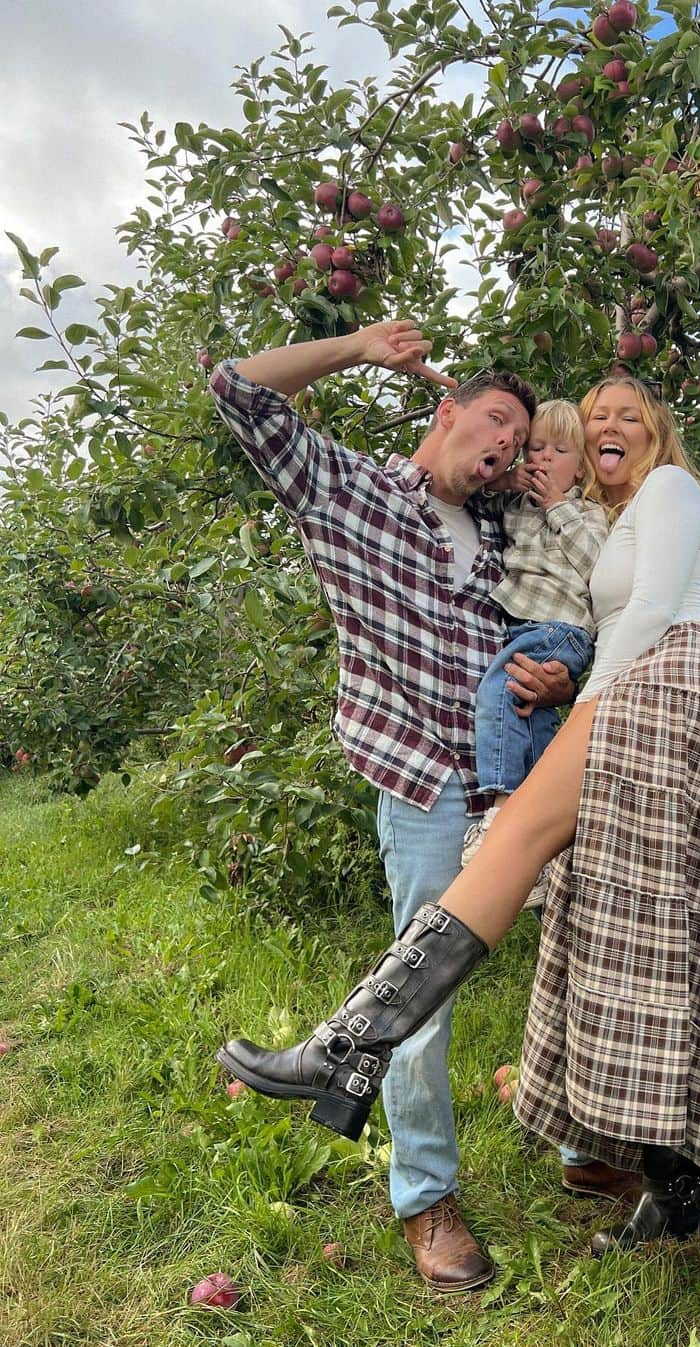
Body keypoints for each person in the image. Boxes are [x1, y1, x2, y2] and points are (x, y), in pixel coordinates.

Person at [218, 365, 700, 1259]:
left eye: (630, 414)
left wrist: (581, 694)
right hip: (527, 733)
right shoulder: (442, 503)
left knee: (604, 907)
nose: (607, 426)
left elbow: (649, 613)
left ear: (659, 434)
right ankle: (443, 1165)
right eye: (594, 416)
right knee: (629, 932)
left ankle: (348, 1043)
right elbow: (247, 394)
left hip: (654, 696)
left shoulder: (657, 493)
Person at [209, 320, 592, 1293]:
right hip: (426, 785)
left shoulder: (513, 522)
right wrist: (358, 348)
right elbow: (238, 389)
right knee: (417, 1001)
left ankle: (591, 1142)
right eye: (492, 420)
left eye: (517, 435)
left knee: (587, 954)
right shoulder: (353, 494)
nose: (505, 443)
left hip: (530, 779)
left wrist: (560, 677)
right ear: (446, 410)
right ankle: (428, 1202)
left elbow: (587, 561)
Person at [463, 399, 608, 898]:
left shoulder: (587, 513)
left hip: (559, 627)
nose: (544, 459)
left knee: (499, 692)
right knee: (534, 719)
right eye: (536, 448)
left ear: (581, 465)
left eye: (559, 451)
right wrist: (506, 481)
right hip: (522, 627)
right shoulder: (515, 506)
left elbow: (598, 566)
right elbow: (474, 495)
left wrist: (558, 507)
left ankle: (501, 815)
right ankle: (547, 850)